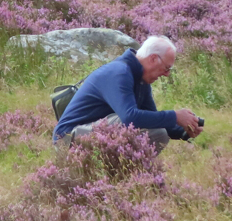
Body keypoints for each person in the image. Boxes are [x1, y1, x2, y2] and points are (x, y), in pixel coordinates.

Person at [53, 35, 203, 151]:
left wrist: (184, 130)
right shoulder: (119, 72)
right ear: (152, 59)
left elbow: (152, 120)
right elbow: (130, 117)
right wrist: (175, 116)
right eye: (166, 68)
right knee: (137, 126)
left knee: (159, 132)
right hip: (66, 139)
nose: (167, 74)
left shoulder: (141, 80)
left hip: (88, 134)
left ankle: (126, 177)